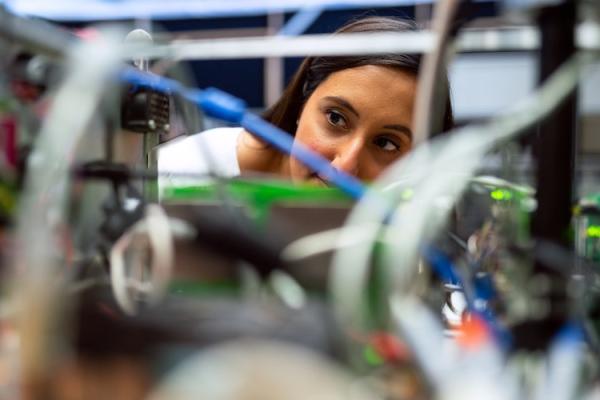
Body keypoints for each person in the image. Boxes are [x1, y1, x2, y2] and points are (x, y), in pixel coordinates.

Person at [158, 16, 453, 188]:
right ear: (302, 102)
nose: (344, 166)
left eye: (386, 143)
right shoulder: (180, 175)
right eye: (336, 119)